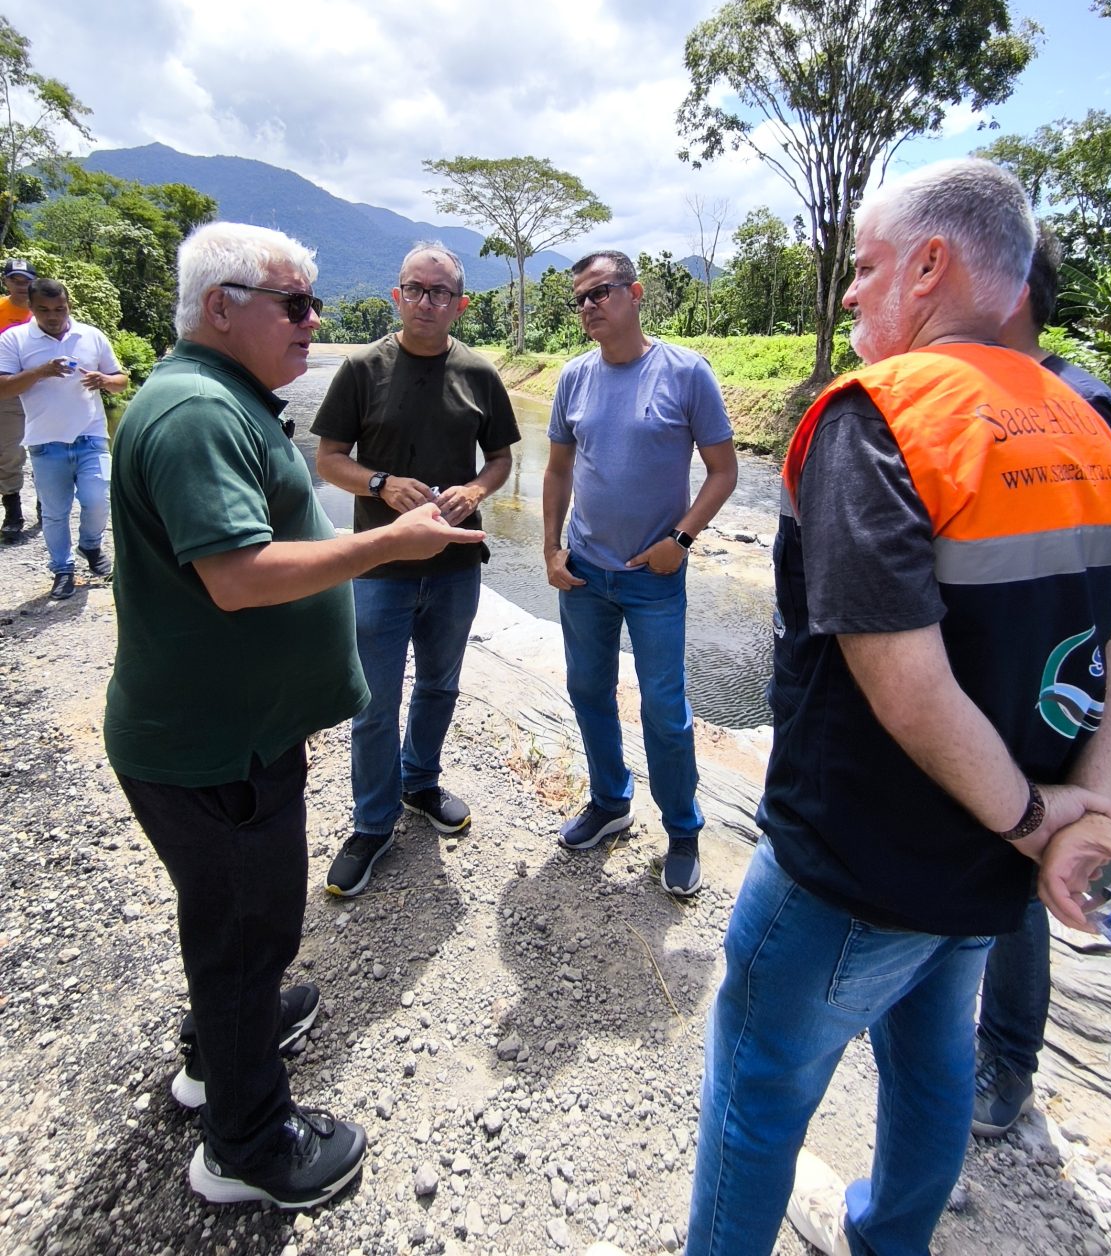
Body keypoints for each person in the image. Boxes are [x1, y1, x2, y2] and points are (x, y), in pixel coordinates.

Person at [686, 159, 1111, 1256]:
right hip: (993, 870)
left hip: (859, 862)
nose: (849, 295)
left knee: (756, 1091)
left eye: (863, 267)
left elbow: (902, 680)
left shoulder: (882, 414)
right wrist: (1077, 812)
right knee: (936, 1057)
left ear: (933, 265)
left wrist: (1040, 825)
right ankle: (887, 1238)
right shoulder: (1093, 421)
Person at [104, 221, 484, 1211]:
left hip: (226, 738)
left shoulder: (219, 397)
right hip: (215, 749)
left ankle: (217, 1048)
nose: (315, 321)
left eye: (316, 303)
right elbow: (235, 578)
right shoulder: (194, 413)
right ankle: (246, 1147)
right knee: (247, 930)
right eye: (296, 303)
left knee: (234, 929)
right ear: (220, 307)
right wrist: (387, 544)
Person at [973, 225, 1111, 1138]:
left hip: (1049, 692)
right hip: (983, 688)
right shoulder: (972, 398)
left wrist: (1092, 792)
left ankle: (1007, 1059)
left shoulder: (1086, 404)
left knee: (1025, 867)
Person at [312, 241, 520, 897]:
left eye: (440, 293)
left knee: (439, 686)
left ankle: (419, 783)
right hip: (378, 562)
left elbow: (500, 461)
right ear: (396, 295)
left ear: (460, 304)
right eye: (415, 289)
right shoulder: (362, 370)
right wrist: (379, 482)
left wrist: (478, 493)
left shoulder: (480, 374)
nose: (427, 302)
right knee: (373, 702)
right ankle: (372, 825)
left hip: (455, 567)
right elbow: (329, 460)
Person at [542, 251, 737, 898]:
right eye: (581, 298)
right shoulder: (573, 378)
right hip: (585, 573)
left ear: (636, 293)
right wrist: (549, 549)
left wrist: (680, 540)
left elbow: (723, 471)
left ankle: (682, 831)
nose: (590, 305)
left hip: (654, 578)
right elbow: (557, 471)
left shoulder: (685, 373)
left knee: (665, 710)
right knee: (589, 692)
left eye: (601, 292)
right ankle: (610, 803)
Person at [0, 277, 127, 599]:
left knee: (98, 500)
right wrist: (40, 371)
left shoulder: (91, 335)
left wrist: (104, 380)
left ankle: (90, 545)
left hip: (91, 434)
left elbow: (122, 381)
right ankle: (62, 569)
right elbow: (3, 389)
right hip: (45, 441)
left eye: (60, 308)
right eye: (44, 310)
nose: (53, 316)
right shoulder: (14, 339)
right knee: (55, 513)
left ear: (69, 305)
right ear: (31, 308)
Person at [0, 258, 35, 540]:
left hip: (42, 390)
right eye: (15, 280)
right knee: (9, 450)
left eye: (25, 281)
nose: (21, 286)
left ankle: (46, 504)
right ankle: (13, 508)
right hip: (8, 391)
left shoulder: (45, 310)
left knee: (46, 447)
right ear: (6, 281)